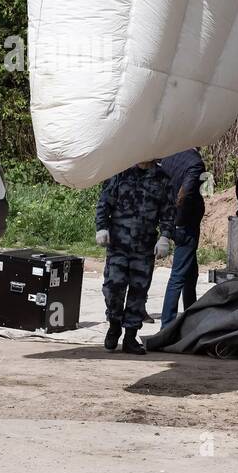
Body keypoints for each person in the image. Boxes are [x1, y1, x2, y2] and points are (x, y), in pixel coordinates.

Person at [95, 159, 175, 355]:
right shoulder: (120, 172)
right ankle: (114, 324)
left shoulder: (162, 179)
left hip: (145, 246)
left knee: (138, 292)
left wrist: (165, 236)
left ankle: (130, 336)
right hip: (118, 244)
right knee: (113, 288)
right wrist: (102, 227)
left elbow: (168, 212)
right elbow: (104, 202)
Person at [159, 148, 205, 328]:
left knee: (191, 273)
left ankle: (190, 313)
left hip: (173, 220)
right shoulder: (196, 163)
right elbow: (184, 194)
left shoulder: (170, 154)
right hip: (185, 224)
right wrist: (177, 223)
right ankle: (167, 324)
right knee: (178, 276)